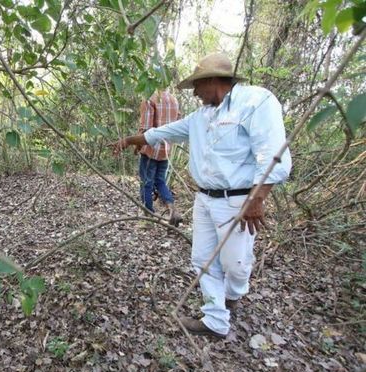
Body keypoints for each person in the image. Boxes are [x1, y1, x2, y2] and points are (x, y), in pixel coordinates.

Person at [111, 53, 292, 339]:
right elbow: (162, 133)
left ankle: (232, 296)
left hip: (239, 200)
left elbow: (274, 154)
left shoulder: (256, 101)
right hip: (204, 199)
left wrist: (256, 200)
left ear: (212, 81)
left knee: (236, 263)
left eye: (197, 86)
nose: (194, 93)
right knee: (202, 258)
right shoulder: (200, 117)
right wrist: (129, 141)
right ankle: (215, 319)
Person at [135, 90, 182, 225]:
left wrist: (137, 146)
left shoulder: (149, 99)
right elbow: (177, 123)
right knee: (160, 181)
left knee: (146, 183)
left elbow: (145, 129)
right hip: (166, 149)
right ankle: (172, 210)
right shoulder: (173, 99)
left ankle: (148, 216)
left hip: (150, 148)